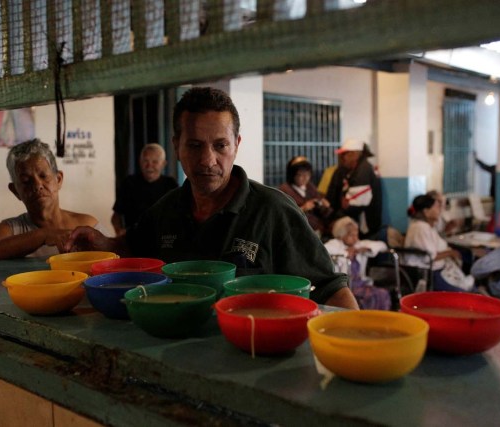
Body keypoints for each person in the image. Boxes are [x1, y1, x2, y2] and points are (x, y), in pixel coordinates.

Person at [65, 87, 358, 309]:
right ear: (176, 146)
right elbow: (132, 250)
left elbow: (331, 290)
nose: (208, 160)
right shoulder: (166, 210)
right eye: (194, 145)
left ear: (236, 145)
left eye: (220, 145)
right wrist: (104, 244)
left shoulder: (273, 211)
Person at [0, 138, 99, 259]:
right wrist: (43, 235)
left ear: (58, 179)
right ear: (15, 191)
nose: (37, 186)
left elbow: (113, 257)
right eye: (26, 181)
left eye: (43, 176)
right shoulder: (12, 229)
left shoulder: (86, 224)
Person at [404, 194, 475, 292]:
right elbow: (429, 256)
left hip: (439, 269)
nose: (440, 210)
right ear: (426, 212)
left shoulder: (427, 226)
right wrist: (451, 253)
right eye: (437, 207)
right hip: (431, 273)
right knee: (465, 293)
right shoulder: (420, 228)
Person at [324, 217, 391, 310]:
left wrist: (365, 249)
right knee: (368, 297)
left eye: (357, 234)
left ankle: (378, 321)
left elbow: (382, 245)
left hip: (360, 283)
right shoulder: (334, 244)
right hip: (344, 286)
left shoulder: (358, 244)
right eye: (352, 235)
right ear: (341, 235)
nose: (356, 238)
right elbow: (324, 250)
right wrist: (346, 253)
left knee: (383, 293)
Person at [111, 143, 178, 236]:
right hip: (134, 239)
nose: (149, 166)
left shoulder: (171, 184)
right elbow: (115, 217)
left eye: (155, 162)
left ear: (163, 164)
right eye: (145, 161)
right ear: (140, 162)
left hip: (163, 240)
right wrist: (119, 232)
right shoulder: (129, 183)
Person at [325, 138, 382, 239]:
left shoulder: (363, 171)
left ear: (354, 154)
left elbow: (354, 204)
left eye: (345, 154)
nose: (342, 158)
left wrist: (334, 219)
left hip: (363, 228)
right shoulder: (348, 170)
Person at [278, 156, 331, 234]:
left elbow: (323, 211)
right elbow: (283, 215)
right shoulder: (285, 189)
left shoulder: (310, 187)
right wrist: (303, 208)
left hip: (317, 228)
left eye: (307, 175)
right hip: (297, 230)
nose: (305, 178)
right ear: (293, 175)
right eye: (301, 175)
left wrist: (325, 205)